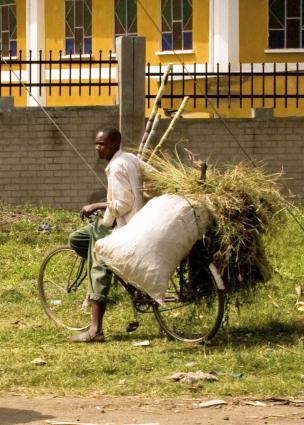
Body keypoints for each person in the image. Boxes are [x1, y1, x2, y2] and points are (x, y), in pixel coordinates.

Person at [68, 127, 144, 342]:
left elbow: (123, 203)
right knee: (77, 239)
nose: (97, 148)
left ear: (114, 144)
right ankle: (113, 269)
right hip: (126, 220)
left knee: (97, 258)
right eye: (96, 143)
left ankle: (95, 330)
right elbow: (150, 176)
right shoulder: (130, 159)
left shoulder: (118, 165)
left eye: (101, 144)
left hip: (125, 224)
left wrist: (97, 205)